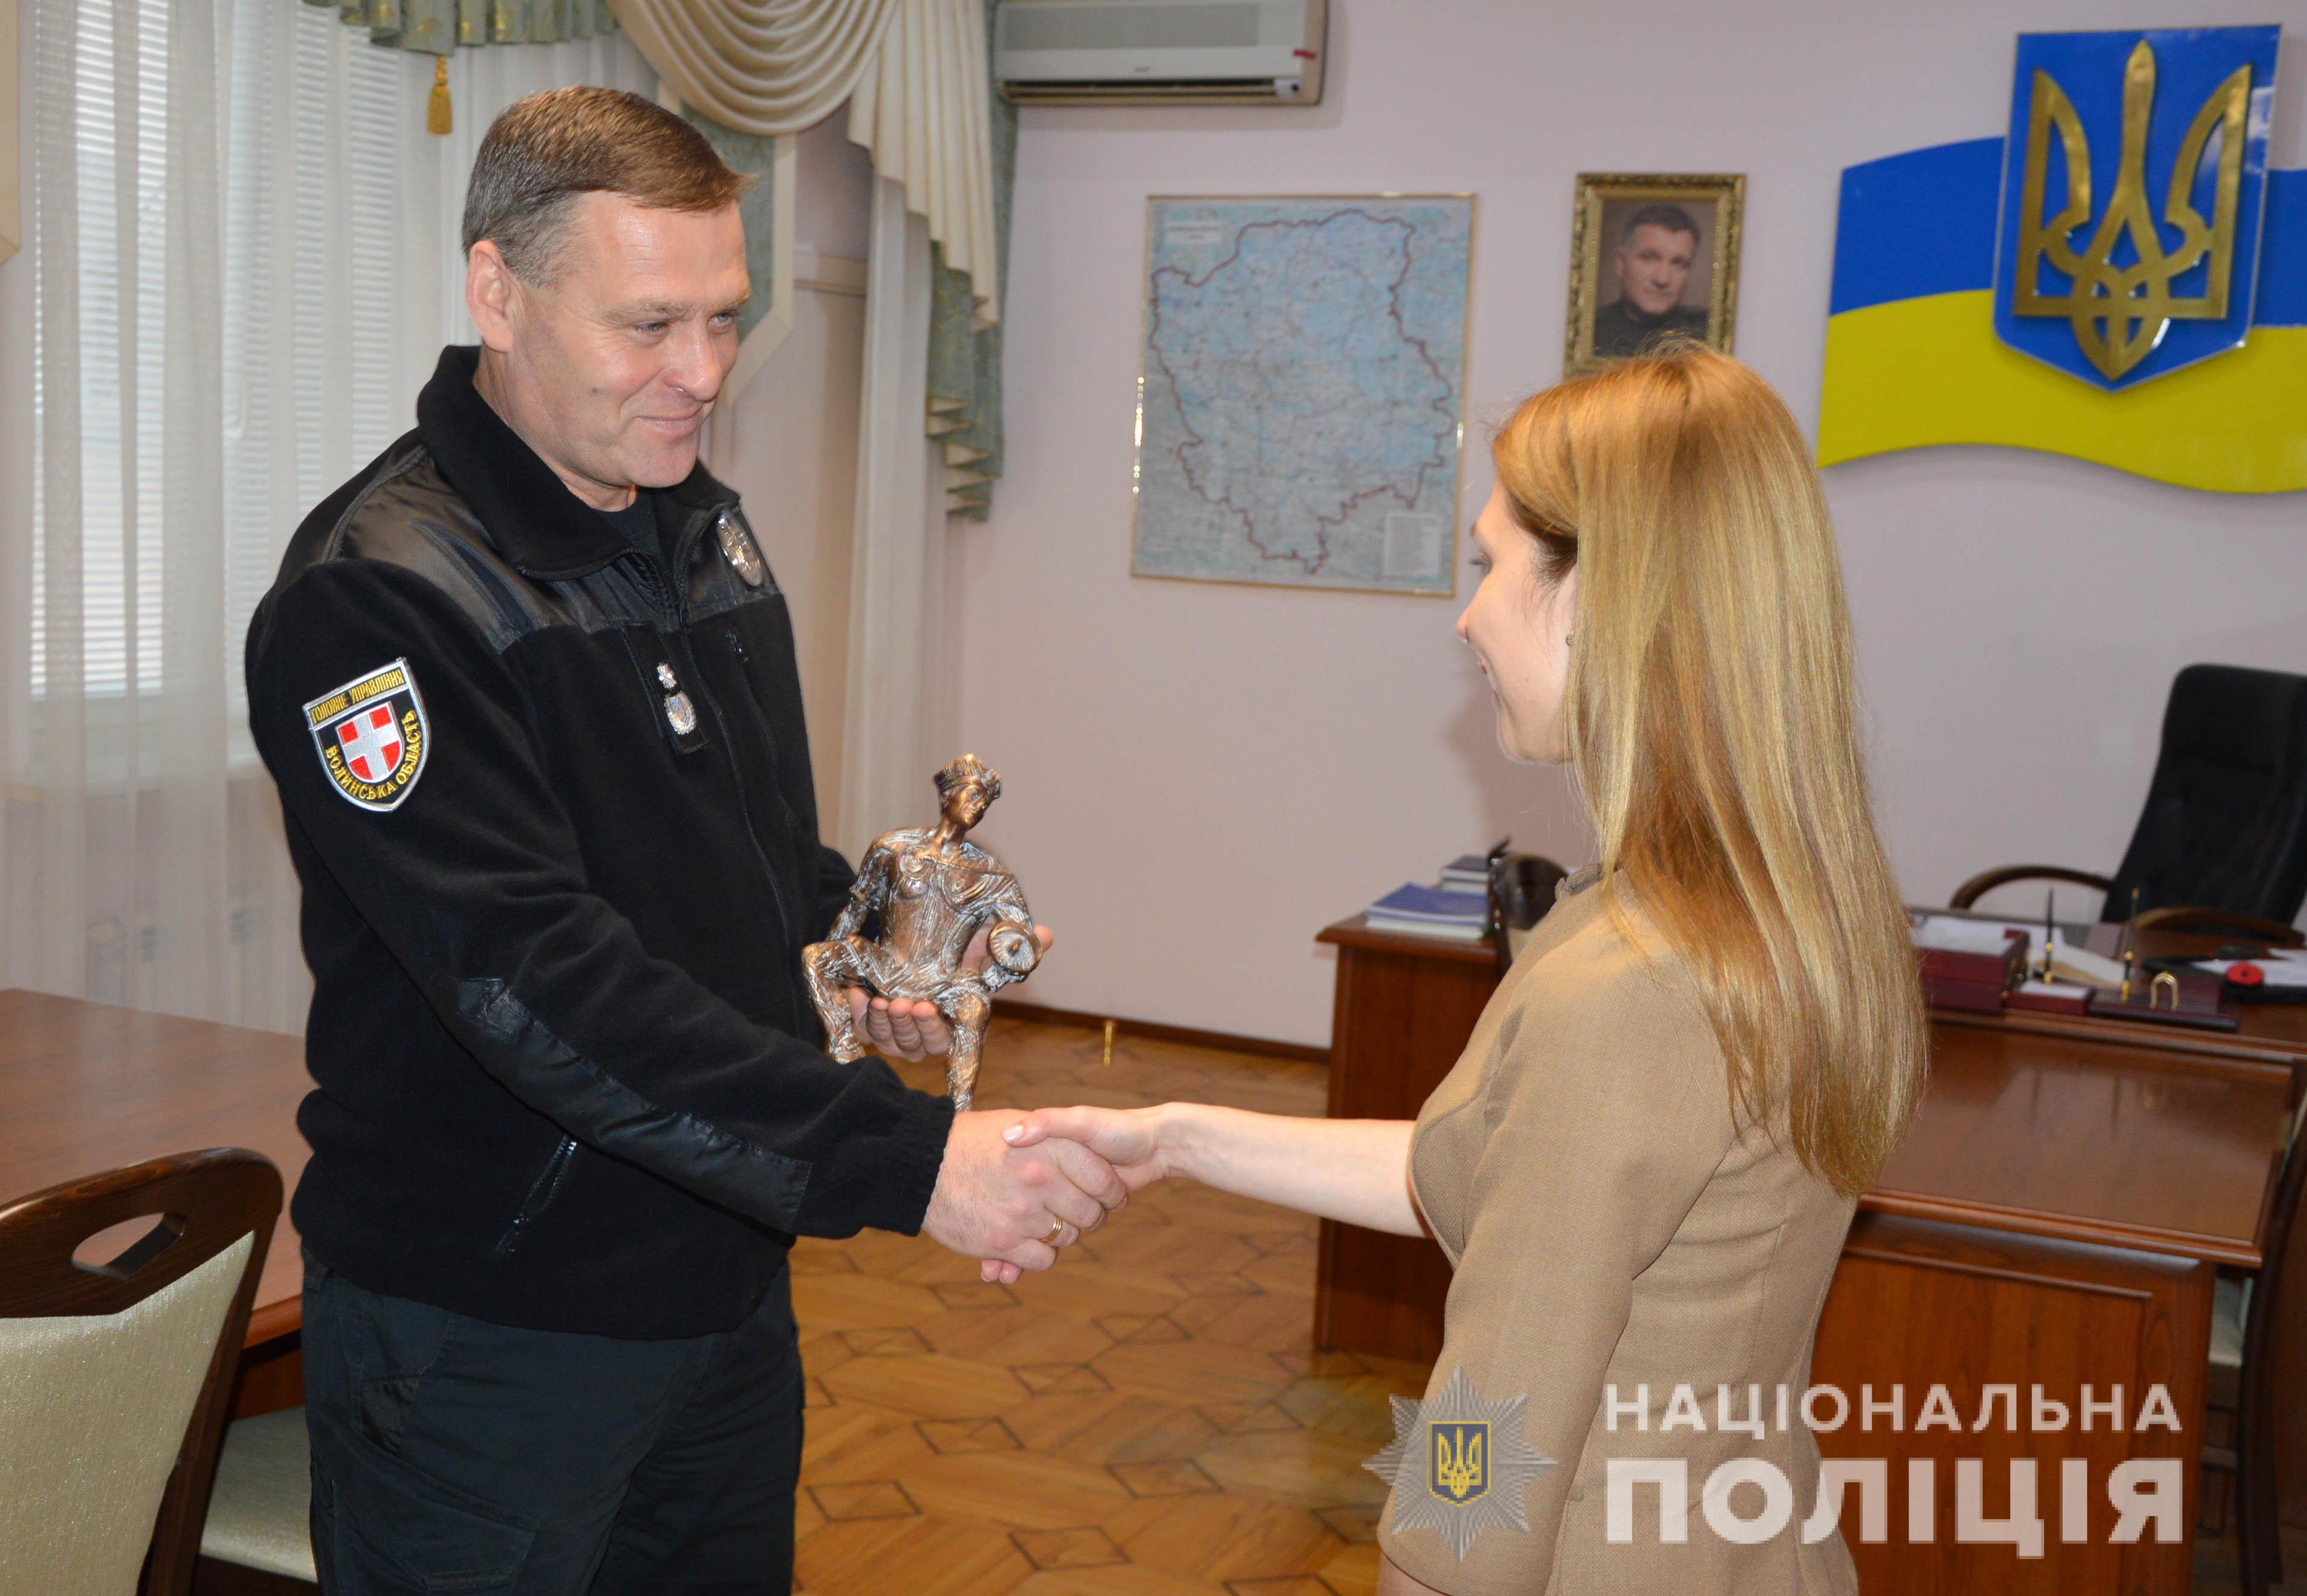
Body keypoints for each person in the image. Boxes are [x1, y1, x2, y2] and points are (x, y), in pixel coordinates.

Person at [245, 87, 1120, 1595]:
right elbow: (537, 983)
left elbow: (749, 860)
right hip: (496, 1328)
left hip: (721, 1276)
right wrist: (903, 1163)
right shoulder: (378, 596)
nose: (703, 373)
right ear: (496, 292)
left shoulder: (698, 528)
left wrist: (869, 952)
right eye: (649, 326)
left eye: (724, 319)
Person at [1002, 345, 1929, 1593]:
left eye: (1492, 565)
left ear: (1599, 597)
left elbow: (1492, 1426)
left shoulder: (1634, 986)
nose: (1468, 616)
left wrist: (1425, 1573)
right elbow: (1513, 1179)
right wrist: (1176, 1138)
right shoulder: (1767, 913)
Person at [1589, 203, 1710, 357]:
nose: (1662, 279)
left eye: (1679, 263)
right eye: (1649, 258)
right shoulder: (1588, 332)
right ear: (1621, 263)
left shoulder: (1707, 335)